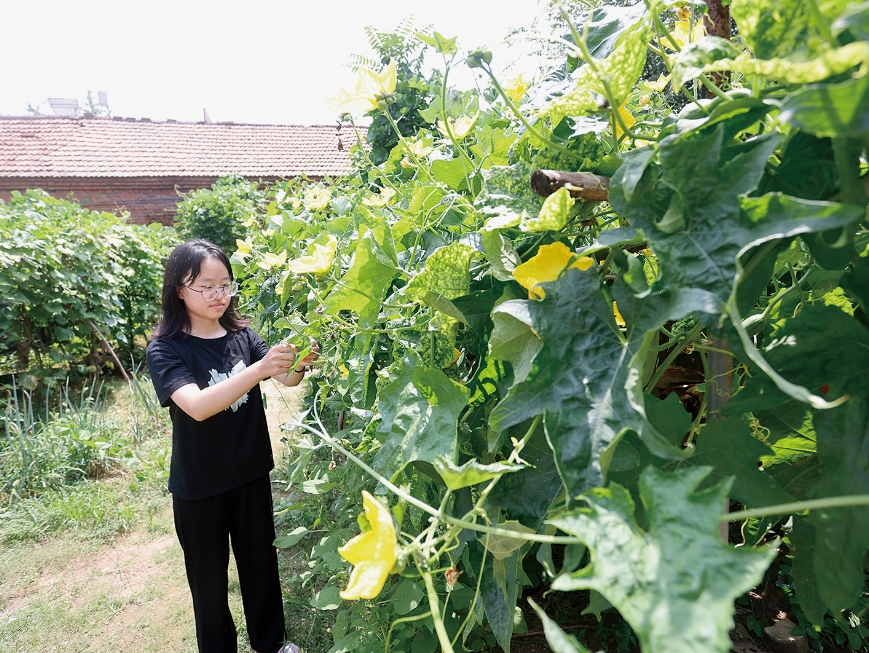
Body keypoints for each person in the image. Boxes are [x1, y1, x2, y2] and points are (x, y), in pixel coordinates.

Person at [146, 239, 317, 653]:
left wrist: (301, 360)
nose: (219, 294)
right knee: (208, 582)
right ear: (179, 289)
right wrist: (259, 369)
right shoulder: (166, 349)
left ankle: (272, 643)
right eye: (207, 286)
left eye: (226, 284)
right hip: (199, 486)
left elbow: (287, 380)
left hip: (250, 473)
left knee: (261, 564)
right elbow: (198, 406)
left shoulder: (242, 335)